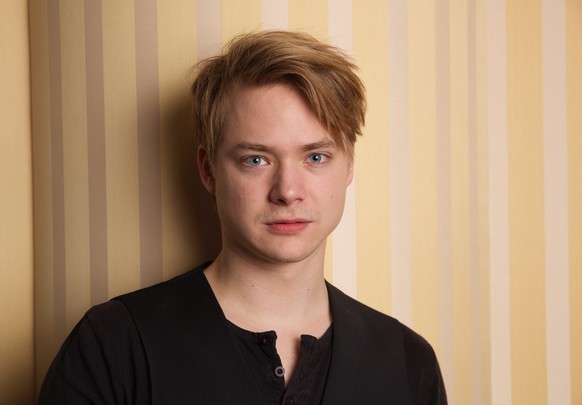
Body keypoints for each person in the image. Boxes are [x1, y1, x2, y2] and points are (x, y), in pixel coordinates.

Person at [38, 30, 447, 404]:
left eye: (316, 157)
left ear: (349, 166)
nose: (287, 190)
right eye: (256, 159)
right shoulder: (114, 345)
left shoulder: (408, 361)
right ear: (208, 170)